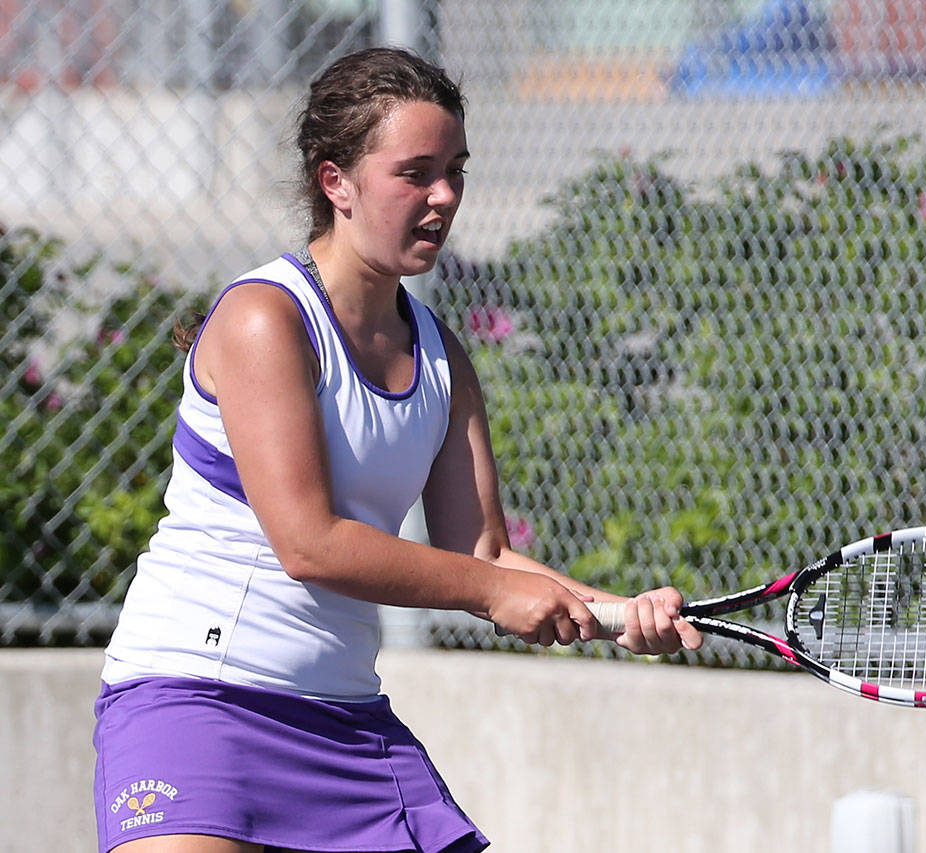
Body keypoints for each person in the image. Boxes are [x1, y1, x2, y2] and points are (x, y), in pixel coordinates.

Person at [93, 46, 702, 853]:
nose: (444, 196)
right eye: (415, 173)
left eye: (456, 170)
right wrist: (488, 590)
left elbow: (483, 550)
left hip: (345, 721)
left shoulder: (444, 357)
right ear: (334, 180)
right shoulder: (263, 321)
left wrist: (618, 612)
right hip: (195, 704)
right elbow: (310, 543)